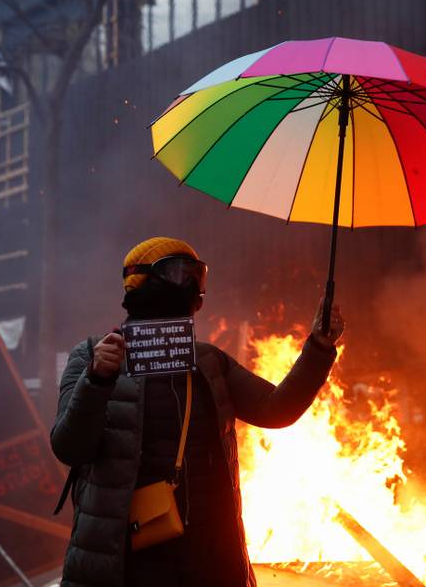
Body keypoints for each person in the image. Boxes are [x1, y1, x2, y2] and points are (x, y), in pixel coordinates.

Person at [50, 237, 344, 587]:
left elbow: (275, 410)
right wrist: (96, 380)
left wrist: (319, 348)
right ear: (139, 280)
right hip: (125, 562)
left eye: (197, 275)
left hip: (208, 559)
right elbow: (69, 447)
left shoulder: (208, 361)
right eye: (178, 272)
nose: (191, 286)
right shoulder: (92, 356)